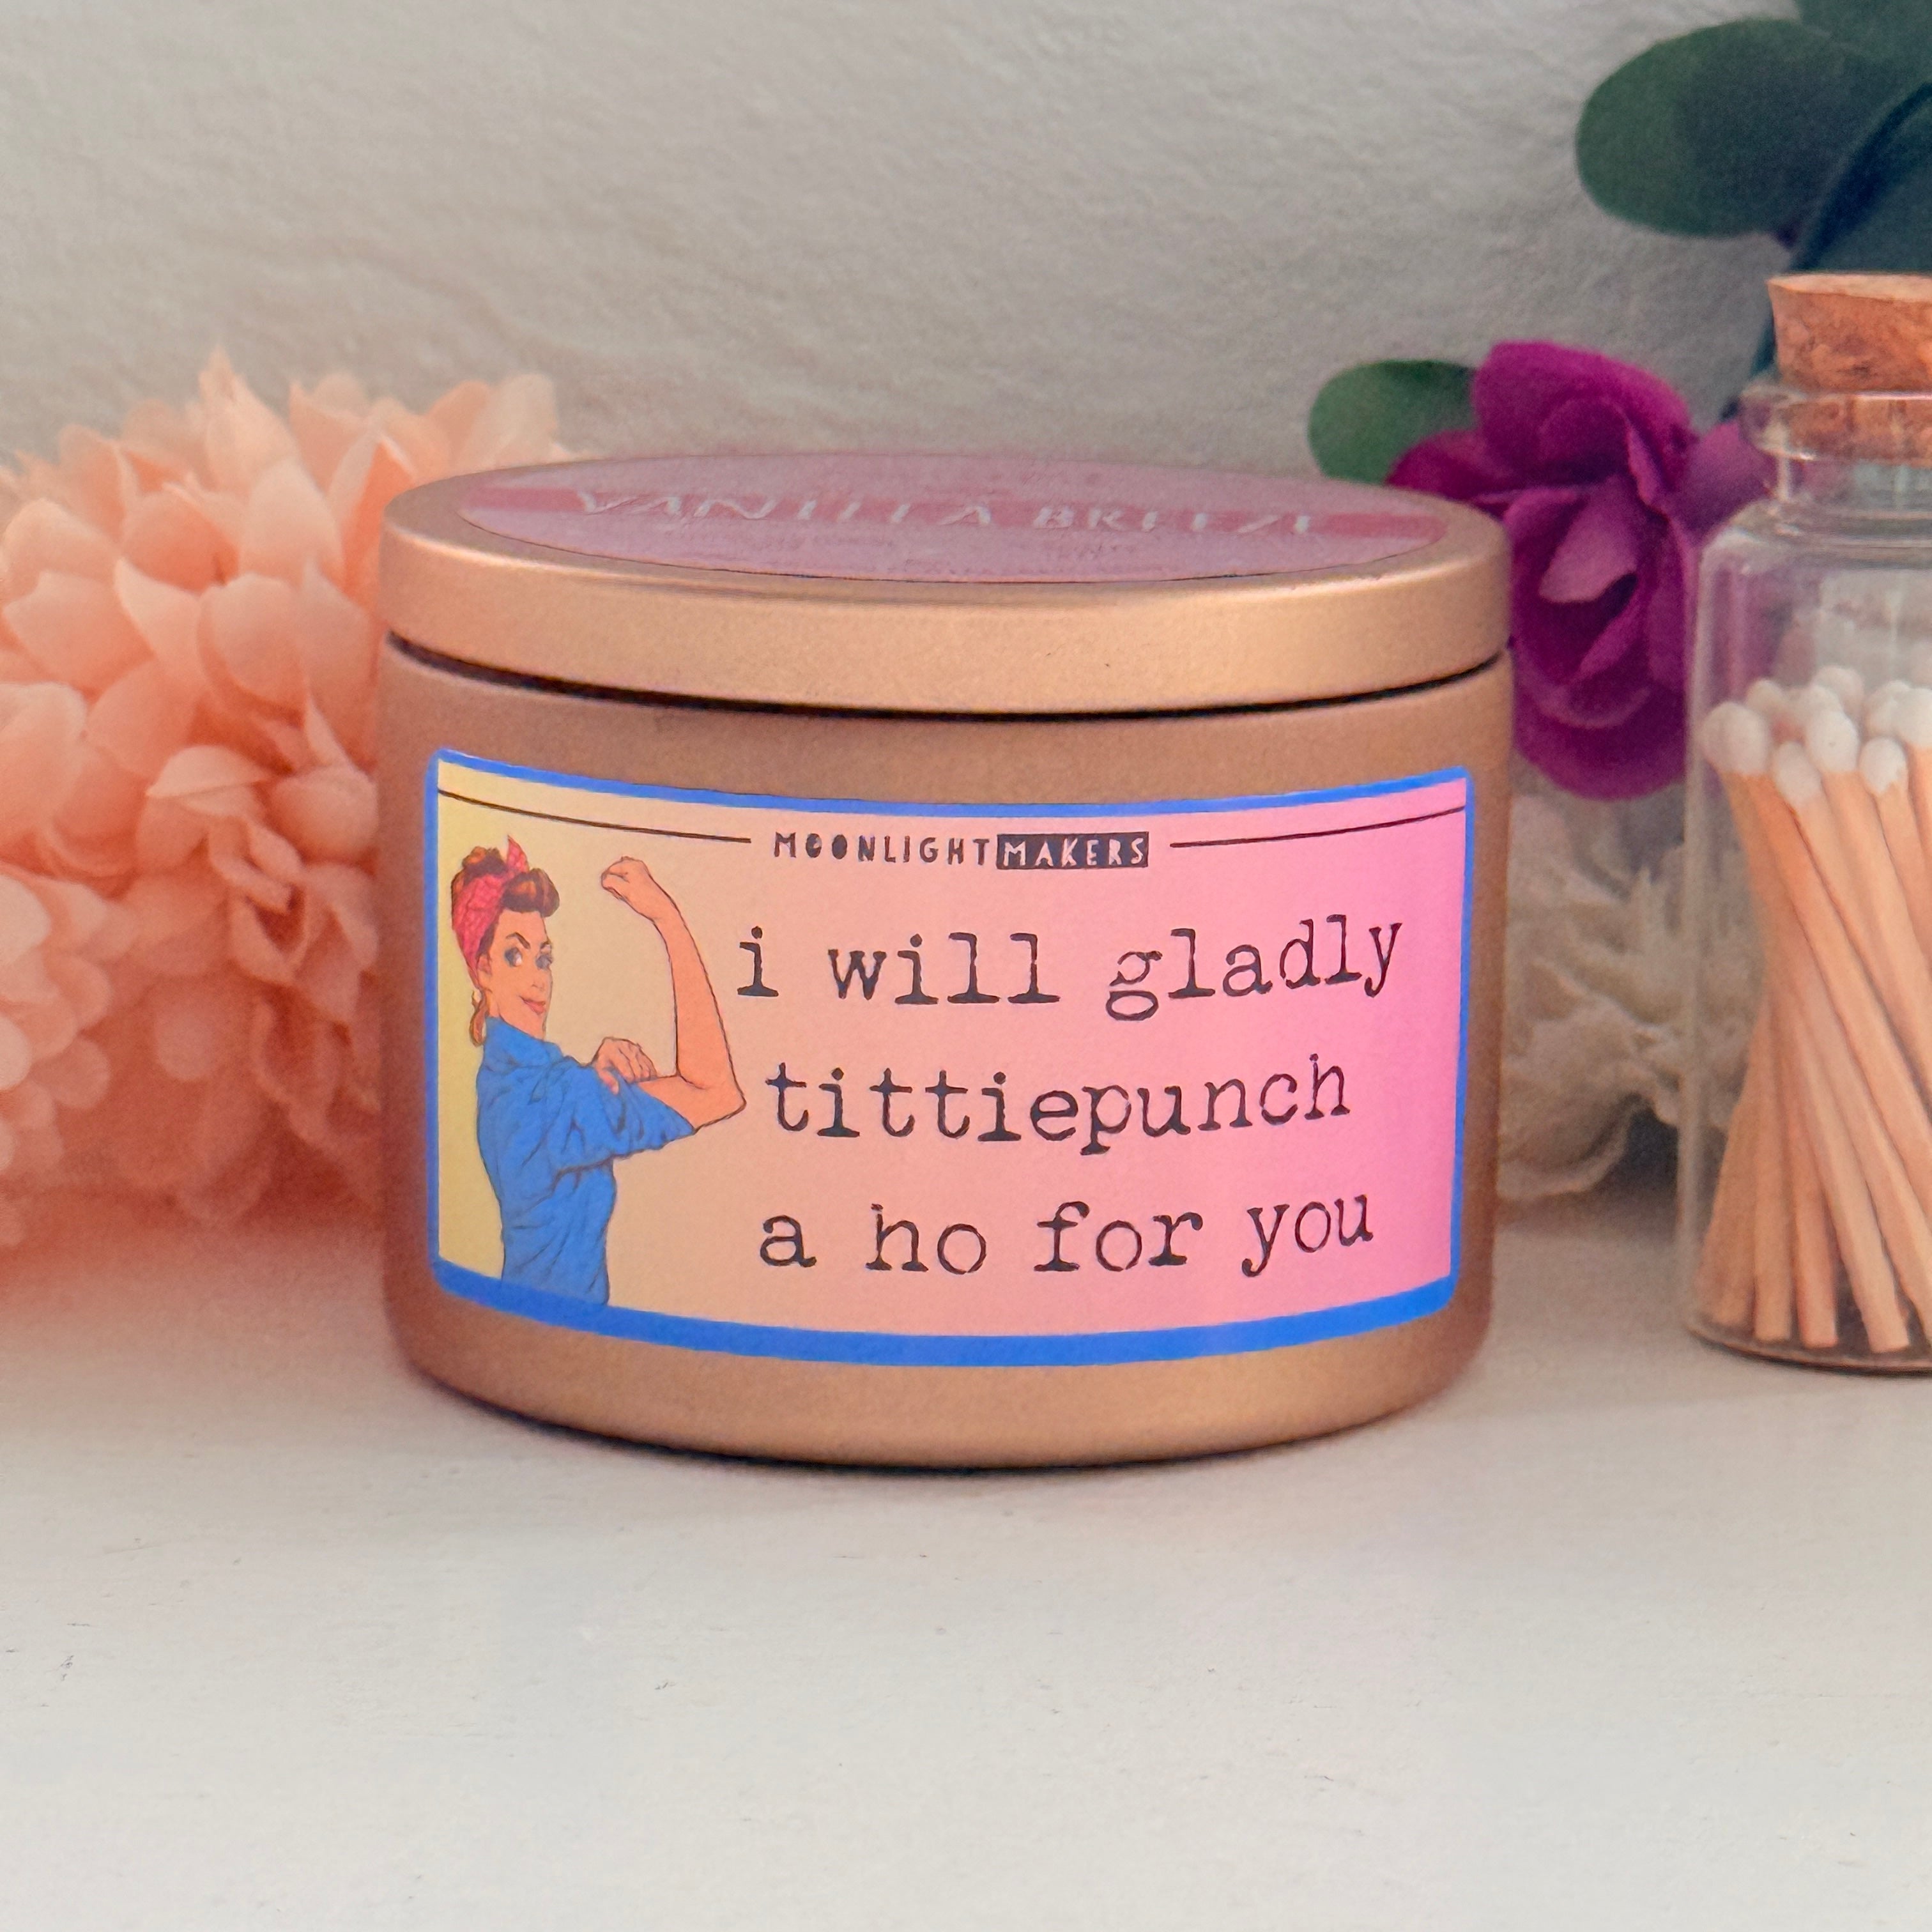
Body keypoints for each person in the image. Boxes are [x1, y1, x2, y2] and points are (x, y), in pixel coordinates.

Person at [449, 837, 743, 1303]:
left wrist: (591, 1075)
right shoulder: (550, 1101)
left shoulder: (508, 1081)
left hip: (529, 1310)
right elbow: (713, 1090)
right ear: (483, 970)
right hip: (560, 1323)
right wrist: (667, 919)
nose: (537, 978)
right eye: (514, 955)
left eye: (544, 958)